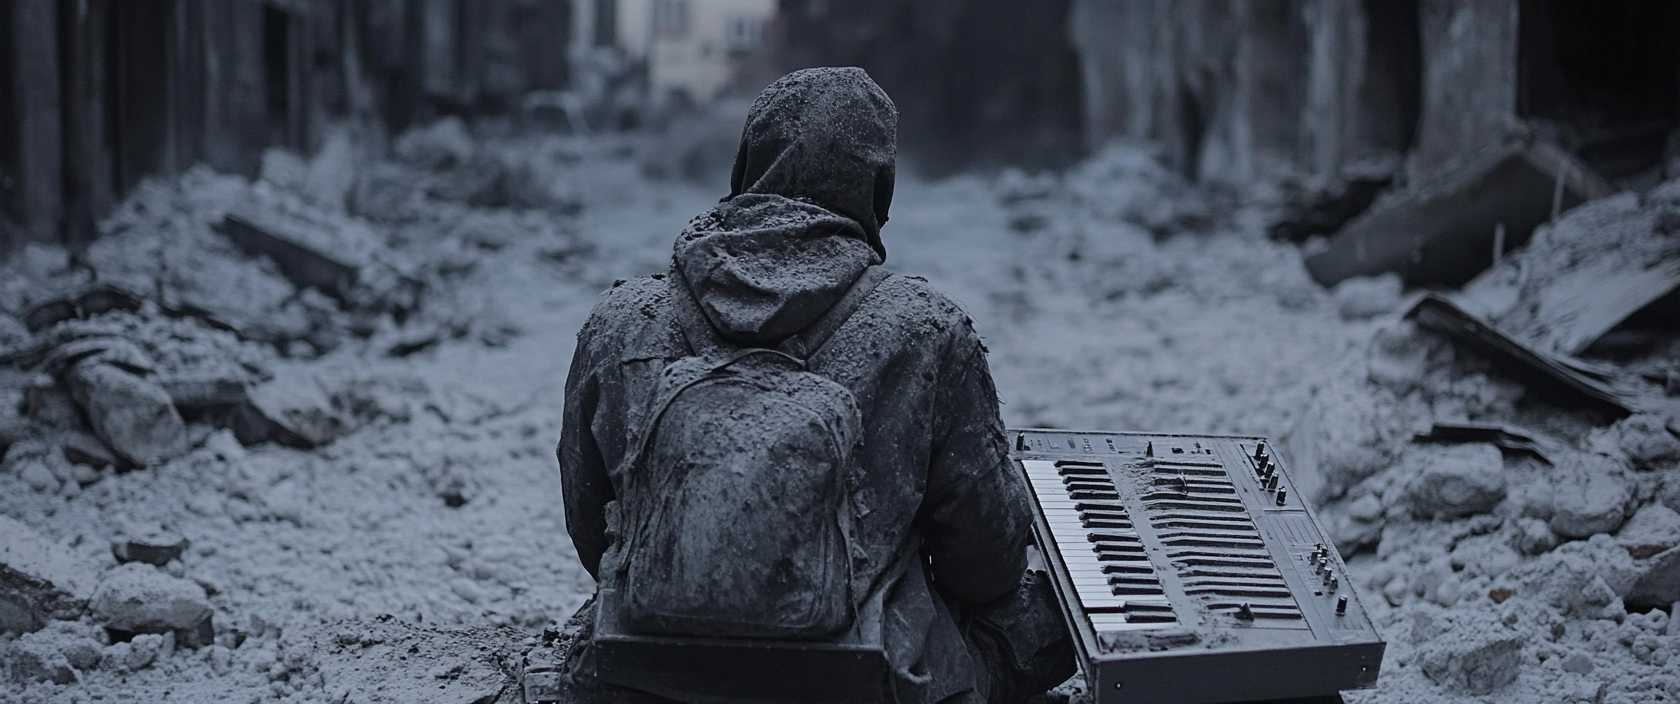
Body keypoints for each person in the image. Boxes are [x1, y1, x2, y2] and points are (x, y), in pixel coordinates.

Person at [556, 67, 1073, 704]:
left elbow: (590, 527)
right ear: (879, 191)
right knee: (1055, 614)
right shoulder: (923, 330)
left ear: (744, 170)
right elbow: (987, 565)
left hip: (642, 681)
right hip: (868, 686)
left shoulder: (623, 321)